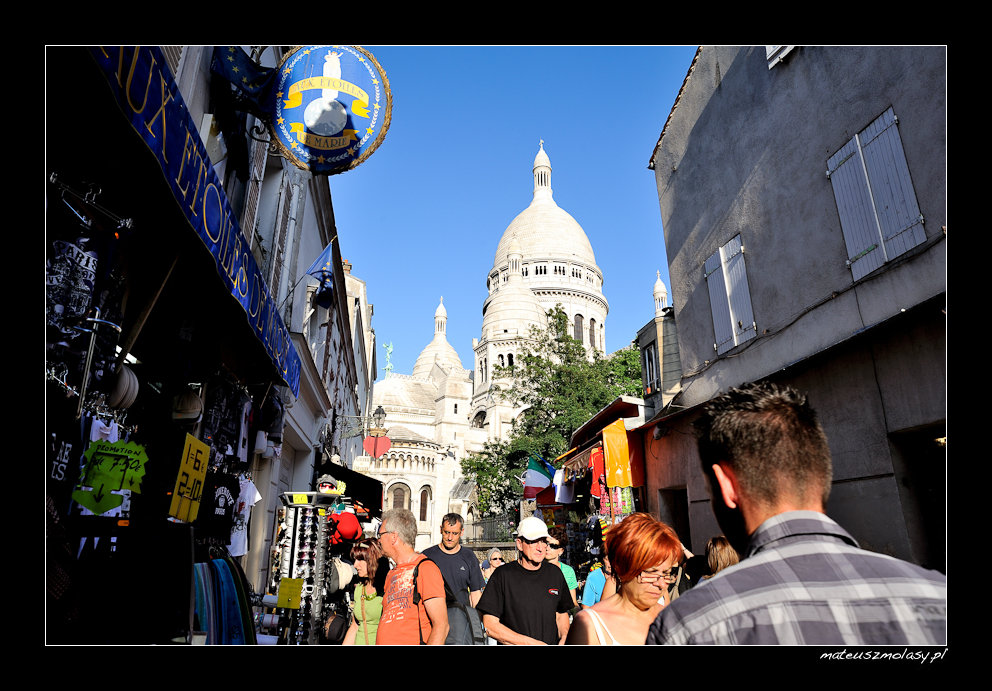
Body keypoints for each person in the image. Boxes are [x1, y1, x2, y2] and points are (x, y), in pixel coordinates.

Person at [646, 381, 947, 645]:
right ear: (820, 474)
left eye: (709, 491)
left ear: (727, 487)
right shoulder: (936, 594)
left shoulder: (689, 625)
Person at [566, 513, 683, 645]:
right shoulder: (590, 625)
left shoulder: (671, 620)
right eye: (651, 572)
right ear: (623, 567)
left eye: (667, 574)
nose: (661, 584)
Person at [476, 516, 573, 645]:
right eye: (534, 542)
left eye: (544, 541)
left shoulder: (555, 573)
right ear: (519, 544)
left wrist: (564, 636)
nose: (540, 547)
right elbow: (490, 625)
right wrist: (529, 643)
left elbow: (561, 614)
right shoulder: (502, 575)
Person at [375, 508, 449, 645]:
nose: (378, 540)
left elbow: (441, 626)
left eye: (380, 534)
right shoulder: (391, 574)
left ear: (393, 536)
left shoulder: (425, 568)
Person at [422, 513, 485, 607]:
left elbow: (475, 594)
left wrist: (477, 616)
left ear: (462, 532)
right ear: (441, 529)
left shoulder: (469, 557)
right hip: (432, 614)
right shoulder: (427, 556)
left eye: (455, 533)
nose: (450, 538)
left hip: (462, 614)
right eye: (447, 532)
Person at [343, 538, 388, 645]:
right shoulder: (360, 588)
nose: (355, 565)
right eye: (355, 560)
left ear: (372, 560)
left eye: (360, 560)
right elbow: (355, 626)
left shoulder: (388, 589)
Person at [544, 525, 578, 609]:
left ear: (561, 551)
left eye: (553, 546)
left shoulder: (568, 571)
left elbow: (573, 602)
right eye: (546, 543)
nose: (548, 548)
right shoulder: (535, 567)